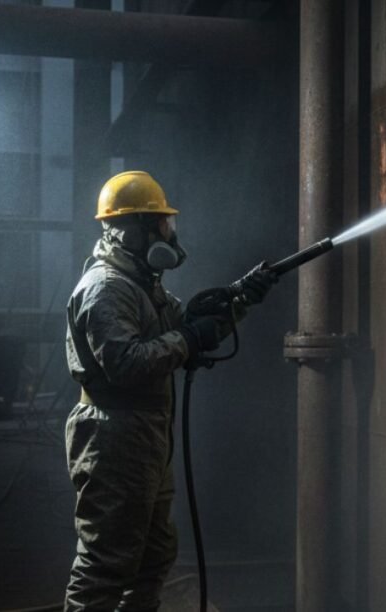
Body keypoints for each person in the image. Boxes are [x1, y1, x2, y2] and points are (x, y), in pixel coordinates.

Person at [63, 171, 276, 610]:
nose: (169, 233)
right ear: (134, 230)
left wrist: (242, 300)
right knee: (105, 564)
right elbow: (127, 363)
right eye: (161, 224)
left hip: (143, 435)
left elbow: (189, 327)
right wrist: (189, 339)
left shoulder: (141, 283)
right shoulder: (107, 288)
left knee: (153, 554)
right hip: (114, 436)